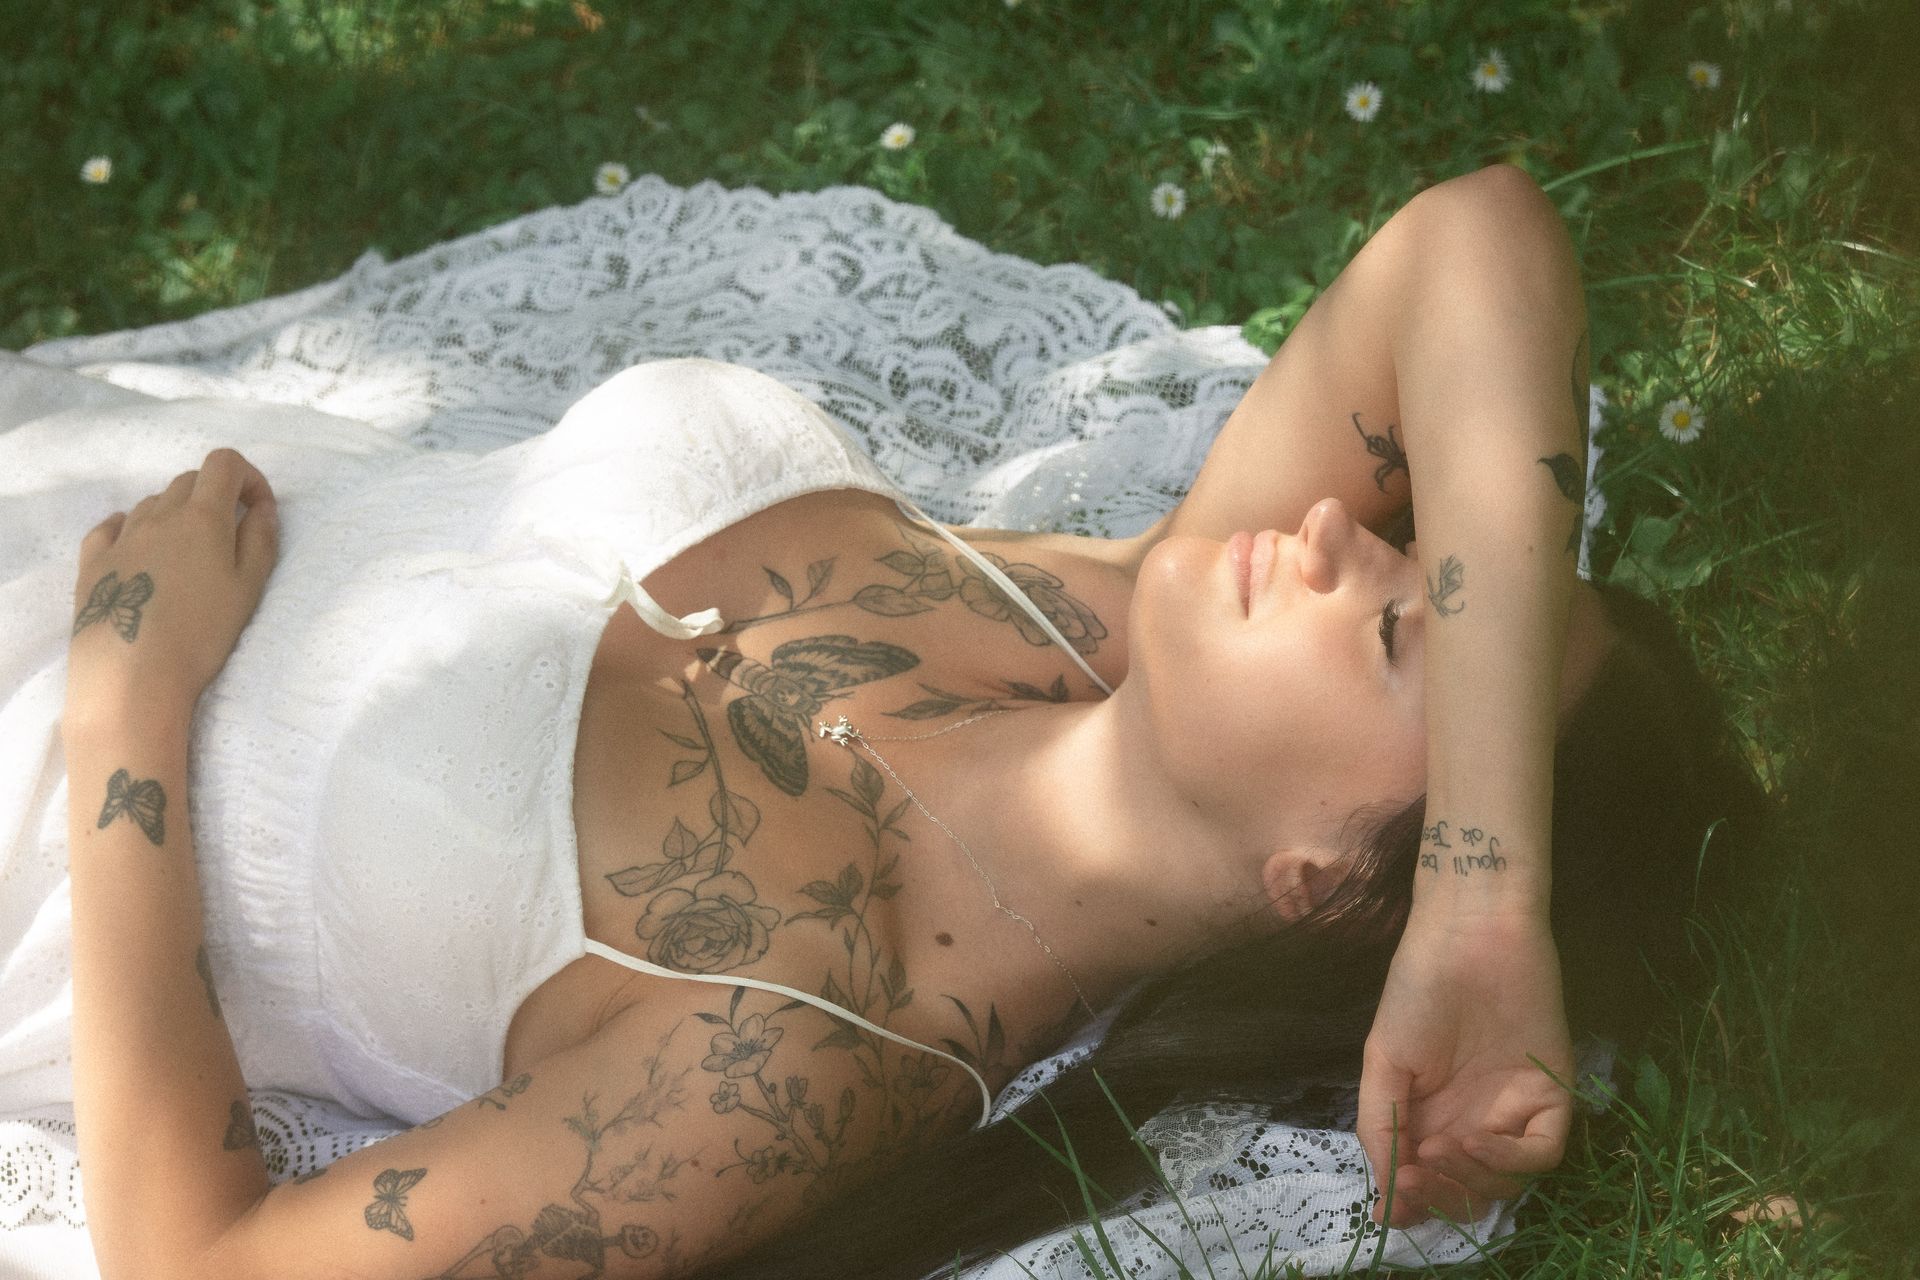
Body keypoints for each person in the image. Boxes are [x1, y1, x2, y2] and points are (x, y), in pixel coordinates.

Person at [46, 164, 1759, 1280]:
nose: (1339, 534)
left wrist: (130, 697)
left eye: (1401, 633)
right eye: (1427, 558)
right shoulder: (1107, 613)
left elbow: (204, 1264)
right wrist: (1484, 893)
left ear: (1324, 877)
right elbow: (1478, 237)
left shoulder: (794, 1051)